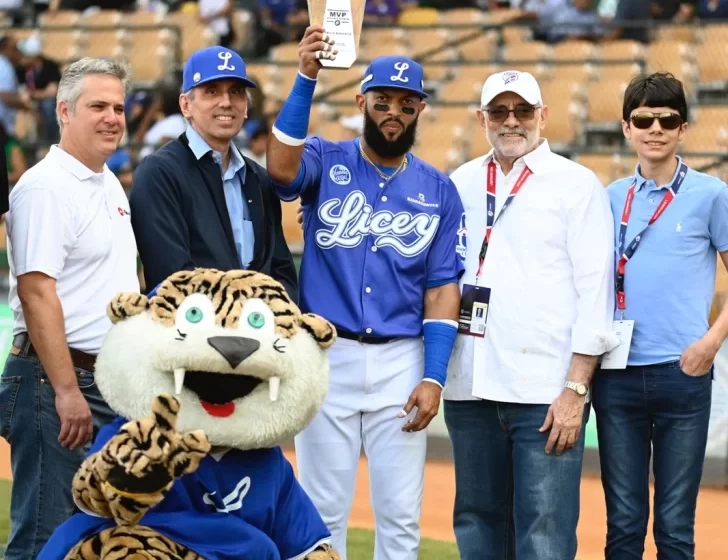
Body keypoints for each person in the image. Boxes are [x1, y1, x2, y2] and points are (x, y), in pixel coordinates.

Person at [266, 26, 465, 560]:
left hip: (401, 361)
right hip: (327, 355)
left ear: (421, 109)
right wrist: (306, 75)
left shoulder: (439, 191)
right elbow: (280, 171)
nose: (393, 111)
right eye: (382, 100)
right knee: (320, 512)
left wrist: (433, 376)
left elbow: (443, 290)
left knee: (400, 518)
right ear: (361, 102)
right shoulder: (326, 160)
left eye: (406, 102)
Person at [442, 69, 618, 560]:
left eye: (523, 110)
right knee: (476, 525)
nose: (511, 121)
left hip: (544, 391)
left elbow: (596, 294)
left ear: (543, 116)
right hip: (470, 384)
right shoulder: (459, 183)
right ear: (481, 119)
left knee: (544, 534)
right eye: (499, 111)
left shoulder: (576, 184)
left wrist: (576, 389)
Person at [0, 57, 140, 560]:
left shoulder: (107, 183)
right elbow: (37, 293)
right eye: (97, 106)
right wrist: (64, 389)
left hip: (100, 381)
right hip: (55, 381)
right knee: (45, 539)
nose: (112, 118)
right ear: (63, 111)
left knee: (94, 540)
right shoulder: (45, 187)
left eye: (119, 108)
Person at [591, 71, 728, 560]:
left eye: (667, 119)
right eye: (643, 118)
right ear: (626, 128)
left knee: (674, 529)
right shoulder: (606, 198)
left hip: (683, 374)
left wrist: (709, 344)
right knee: (624, 526)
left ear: (683, 128)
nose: (655, 128)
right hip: (617, 376)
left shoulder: (712, 194)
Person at [130, 45, 298, 300]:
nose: (226, 102)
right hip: (191, 333)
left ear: (246, 106)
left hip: (259, 332)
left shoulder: (259, 178)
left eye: (236, 92)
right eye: (211, 91)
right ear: (186, 105)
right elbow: (172, 276)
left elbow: (282, 271)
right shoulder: (158, 173)